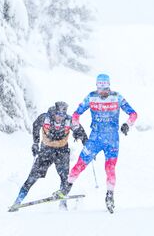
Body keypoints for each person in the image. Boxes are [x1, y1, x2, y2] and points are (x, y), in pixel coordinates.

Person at [54, 74, 137, 212]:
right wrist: (75, 126)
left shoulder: (117, 97)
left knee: (110, 168)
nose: (102, 92)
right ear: (97, 87)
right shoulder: (91, 97)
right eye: (99, 88)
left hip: (112, 140)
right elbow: (76, 113)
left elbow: (133, 114)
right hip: (95, 139)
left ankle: (110, 197)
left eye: (104, 88)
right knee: (80, 165)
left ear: (108, 86)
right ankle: (65, 191)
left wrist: (127, 125)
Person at [8, 101, 88, 212]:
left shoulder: (69, 120)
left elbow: (81, 132)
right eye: (58, 114)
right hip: (46, 151)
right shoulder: (45, 118)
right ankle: (17, 202)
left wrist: (85, 142)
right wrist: (35, 143)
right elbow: (35, 126)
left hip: (62, 151)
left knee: (65, 178)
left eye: (63, 115)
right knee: (32, 178)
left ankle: (63, 204)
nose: (60, 117)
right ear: (54, 112)